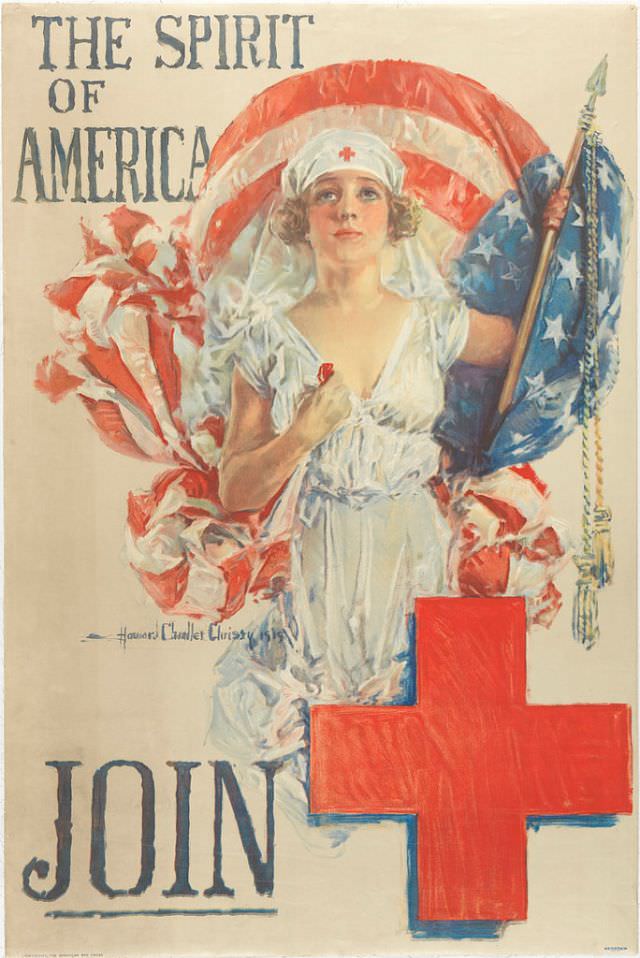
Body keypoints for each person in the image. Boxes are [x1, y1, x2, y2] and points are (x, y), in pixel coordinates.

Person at [206, 129, 568, 824]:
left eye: (367, 193)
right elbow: (236, 489)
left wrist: (556, 240)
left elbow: (533, 338)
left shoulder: (433, 321)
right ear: (301, 218)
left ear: (392, 214)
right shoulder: (265, 340)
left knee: (427, 742)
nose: (347, 210)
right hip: (324, 553)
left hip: (415, 546)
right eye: (328, 195)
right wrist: (302, 434)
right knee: (326, 757)